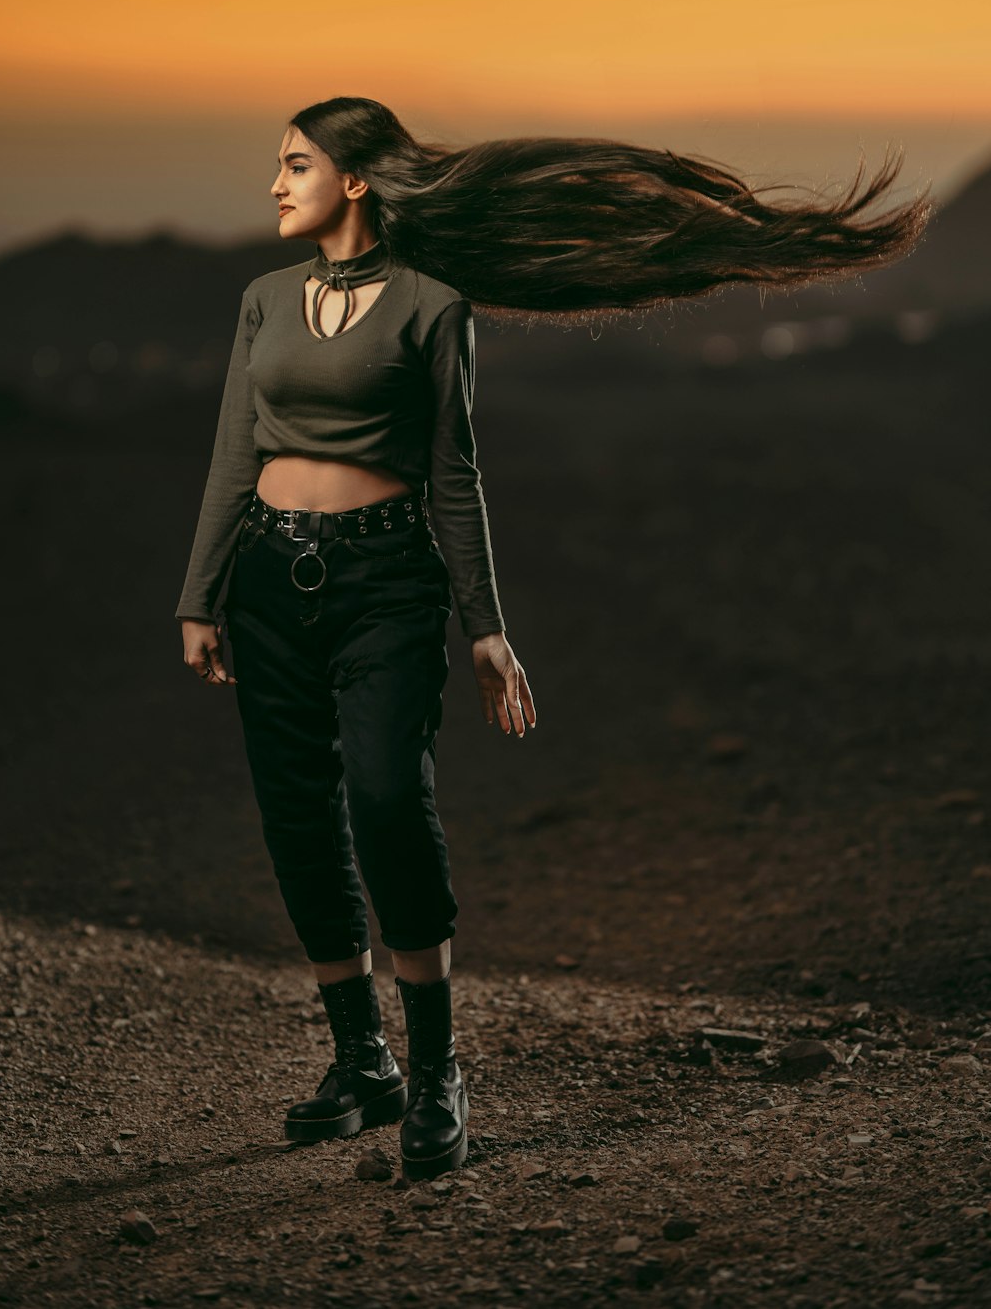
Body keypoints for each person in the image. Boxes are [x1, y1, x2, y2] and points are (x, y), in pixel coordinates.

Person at [177, 96, 930, 1178]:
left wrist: (485, 628)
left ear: (354, 180)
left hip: (387, 577)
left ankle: (435, 1072)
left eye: (294, 164)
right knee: (297, 813)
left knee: (388, 798)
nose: (274, 184)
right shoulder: (264, 303)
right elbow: (229, 454)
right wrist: (199, 595)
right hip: (265, 576)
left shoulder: (431, 307)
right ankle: (361, 1061)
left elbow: (452, 473)